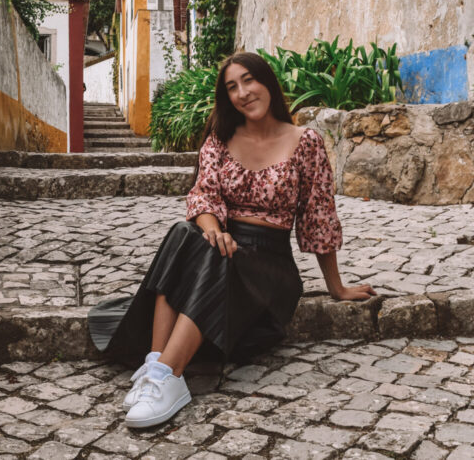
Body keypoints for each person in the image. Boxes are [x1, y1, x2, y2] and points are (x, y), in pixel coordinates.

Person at [88, 52, 376, 429]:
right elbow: (203, 195)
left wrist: (336, 287)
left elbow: (318, 217)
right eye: (232, 87)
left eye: (249, 80)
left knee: (216, 252)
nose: (242, 92)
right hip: (224, 247)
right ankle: (157, 368)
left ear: (266, 81)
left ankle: (168, 375)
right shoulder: (220, 140)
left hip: (269, 268)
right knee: (186, 233)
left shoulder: (305, 142)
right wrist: (212, 228)